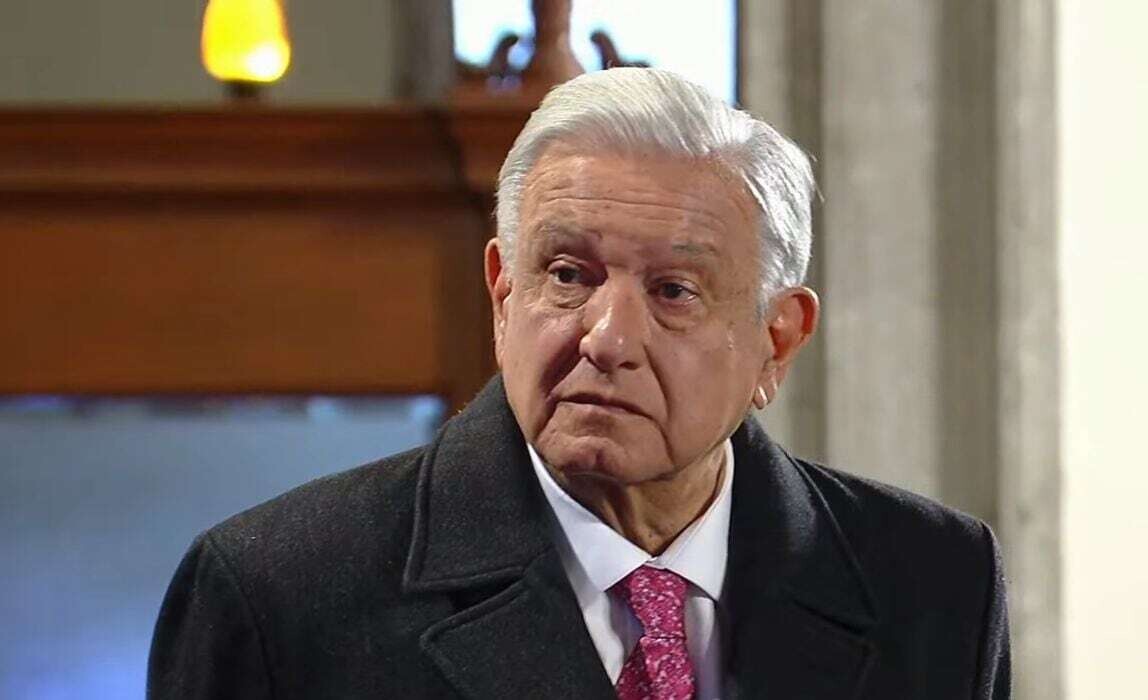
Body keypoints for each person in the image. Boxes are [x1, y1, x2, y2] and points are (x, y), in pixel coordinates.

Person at [148, 68, 1009, 699]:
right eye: (567, 275)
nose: (607, 337)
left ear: (776, 342)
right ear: (502, 294)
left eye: (674, 291)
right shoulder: (277, 598)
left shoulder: (934, 583)